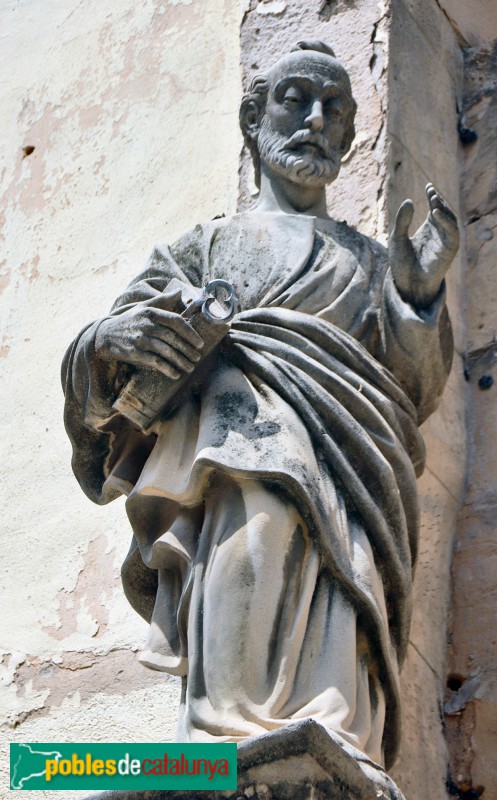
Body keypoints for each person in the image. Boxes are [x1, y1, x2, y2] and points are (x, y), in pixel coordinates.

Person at [62, 41, 458, 771]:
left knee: (344, 606)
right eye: (295, 100)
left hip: (355, 482)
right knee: (249, 553)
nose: (315, 120)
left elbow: (413, 391)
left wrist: (417, 298)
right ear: (253, 118)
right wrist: (113, 338)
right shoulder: (205, 247)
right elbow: (105, 364)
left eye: (335, 109)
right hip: (236, 457)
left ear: (350, 134)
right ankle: (224, 742)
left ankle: (330, 741)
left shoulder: (373, 264)